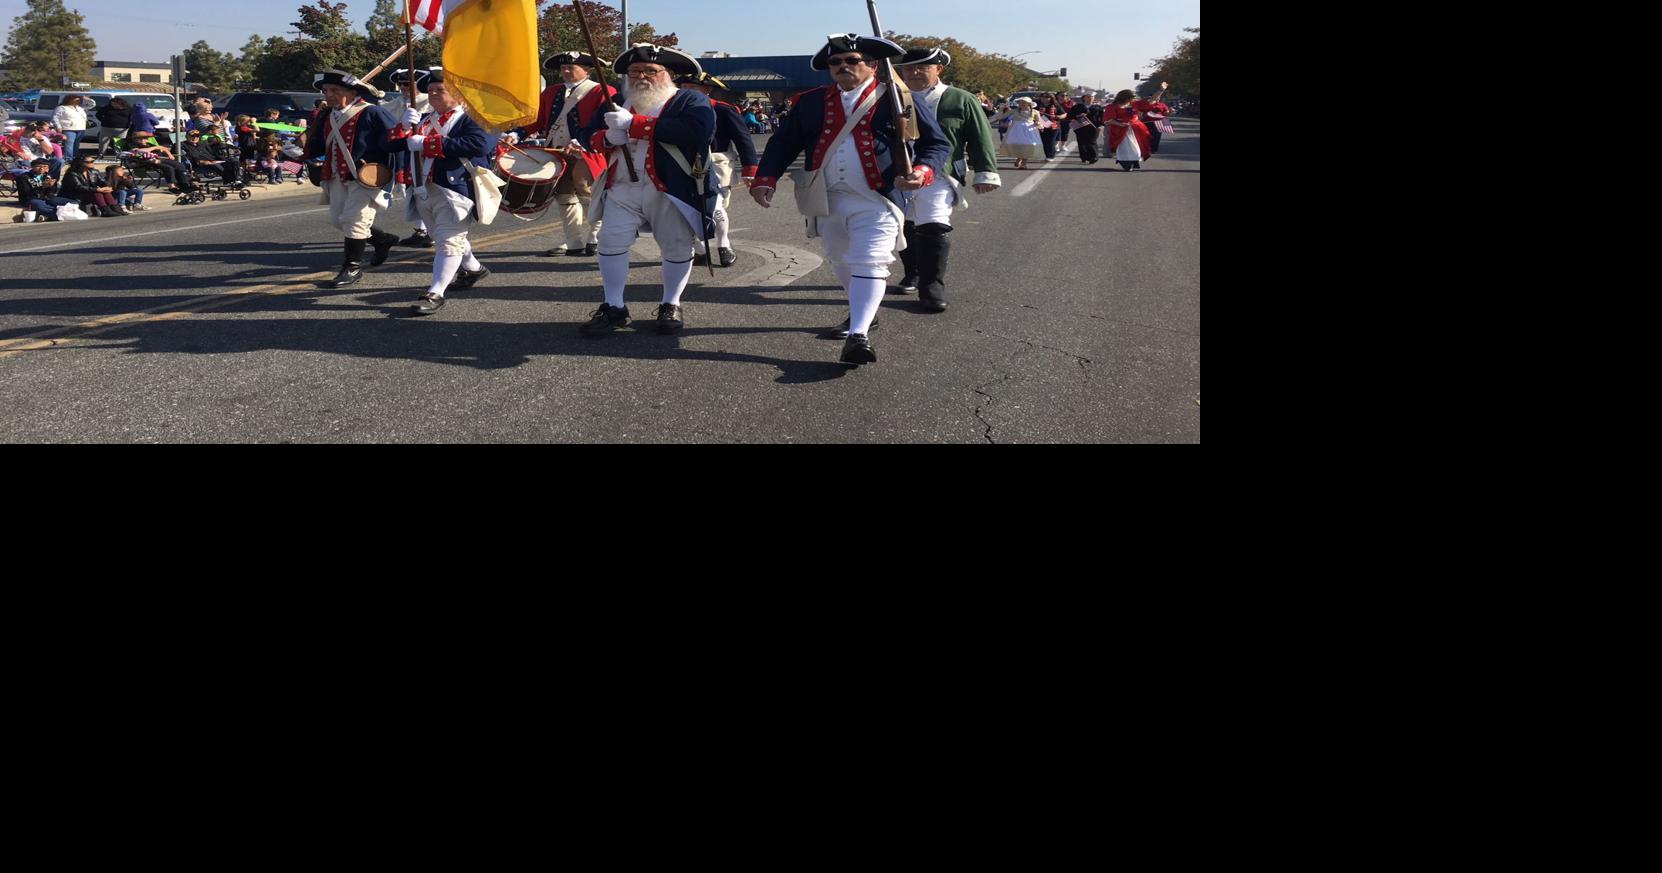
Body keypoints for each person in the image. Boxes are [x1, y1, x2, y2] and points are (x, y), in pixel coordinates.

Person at [751, 33, 949, 365]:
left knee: (870, 260)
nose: (843, 66)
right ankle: (864, 313)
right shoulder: (811, 101)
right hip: (827, 198)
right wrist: (766, 178)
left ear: (872, 65)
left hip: (879, 198)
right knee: (840, 259)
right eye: (836, 62)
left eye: (852, 61)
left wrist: (922, 171)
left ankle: (859, 334)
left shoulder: (899, 99)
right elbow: (783, 143)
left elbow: (936, 143)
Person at [574, 43, 717, 336]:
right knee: (610, 243)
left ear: (667, 74)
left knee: (676, 245)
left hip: (669, 187)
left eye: (651, 71)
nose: (642, 76)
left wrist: (636, 125)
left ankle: (670, 303)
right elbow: (587, 133)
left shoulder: (688, 100)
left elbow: (698, 132)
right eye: (635, 71)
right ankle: (614, 306)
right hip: (622, 186)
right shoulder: (616, 102)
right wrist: (606, 138)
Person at [893, 46, 1001, 313]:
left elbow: (980, 137)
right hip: (897, 173)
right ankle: (913, 273)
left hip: (940, 174)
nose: (915, 72)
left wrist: (985, 172)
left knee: (932, 225)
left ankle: (932, 287)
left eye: (922, 67)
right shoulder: (891, 97)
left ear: (938, 69)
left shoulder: (960, 99)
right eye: (908, 68)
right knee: (902, 224)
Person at [386, 68, 498, 316]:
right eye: (432, 89)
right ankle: (475, 269)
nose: (434, 93)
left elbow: (480, 144)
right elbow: (391, 144)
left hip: (455, 190)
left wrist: (428, 143)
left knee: (448, 241)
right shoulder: (423, 119)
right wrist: (404, 127)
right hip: (423, 188)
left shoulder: (474, 119)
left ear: (458, 95)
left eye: (441, 89)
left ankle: (435, 292)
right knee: (445, 237)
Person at [305, 69, 399, 288]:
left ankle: (352, 267)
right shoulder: (327, 114)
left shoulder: (372, 112)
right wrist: (299, 151)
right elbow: (318, 142)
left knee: (354, 220)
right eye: (326, 90)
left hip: (366, 177)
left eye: (334, 90)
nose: (328, 94)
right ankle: (382, 240)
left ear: (351, 91)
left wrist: (399, 171)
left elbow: (395, 143)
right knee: (339, 220)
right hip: (336, 174)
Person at [535, 50, 616, 258]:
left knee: (584, 188)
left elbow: (608, 122)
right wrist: (516, 134)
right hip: (557, 150)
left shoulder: (603, 91)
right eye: (563, 68)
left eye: (572, 67)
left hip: (588, 151)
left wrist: (581, 141)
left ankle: (596, 237)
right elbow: (537, 119)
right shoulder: (552, 92)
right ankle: (573, 241)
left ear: (586, 70)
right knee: (563, 194)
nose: (567, 71)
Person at [675, 70, 757, 268]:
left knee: (715, 207)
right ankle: (701, 250)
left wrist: (750, 168)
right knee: (685, 209)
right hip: (681, 164)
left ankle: (723, 245)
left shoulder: (723, 110)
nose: (686, 92)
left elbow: (743, 139)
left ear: (706, 89)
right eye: (684, 88)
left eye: (692, 88)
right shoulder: (673, 110)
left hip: (716, 164)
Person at [383, 68, 435, 248]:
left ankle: (431, 231)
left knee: (426, 193)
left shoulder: (431, 104)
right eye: (401, 84)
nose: (404, 88)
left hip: (424, 156)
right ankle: (422, 230)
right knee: (413, 193)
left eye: (408, 84)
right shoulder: (391, 106)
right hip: (401, 156)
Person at [124, 131, 197, 192]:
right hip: (146, 161)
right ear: (135, 139)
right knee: (168, 168)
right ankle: (171, 187)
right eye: (141, 139)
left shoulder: (149, 144)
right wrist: (155, 147)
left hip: (162, 159)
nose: (144, 140)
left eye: (145, 138)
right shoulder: (132, 145)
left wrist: (170, 154)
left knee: (179, 165)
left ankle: (184, 185)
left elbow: (164, 148)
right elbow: (137, 151)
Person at [60, 154, 125, 216]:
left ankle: (115, 208)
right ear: (80, 163)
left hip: (87, 193)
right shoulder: (72, 174)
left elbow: (102, 181)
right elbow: (78, 187)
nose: (92, 162)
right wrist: (97, 189)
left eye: (93, 161)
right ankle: (105, 210)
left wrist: (107, 187)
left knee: (104, 192)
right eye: (89, 162)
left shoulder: (94, 172)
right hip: (74, 195)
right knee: (97, 193)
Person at [1104, 89, 1151, 171]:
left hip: (1135, 130)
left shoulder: (1135, 104)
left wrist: (1161, 90)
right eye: (1132, 97)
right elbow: (1108, 119)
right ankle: (1126, 164)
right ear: (1125, 97)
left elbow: (1151, 101)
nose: (1134, 98)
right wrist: (1120, 124)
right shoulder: (1112, 107)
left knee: (1136, 148)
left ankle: (1133, 162)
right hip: (1121, 131)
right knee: (1124, 148)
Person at [991, 97, 1044, 169]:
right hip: (1017, 130)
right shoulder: (1014, 111)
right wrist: (1001, 110)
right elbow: (1001, 117)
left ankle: (1023, 163)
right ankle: (1019, 159)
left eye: (1023, 102)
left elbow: (1039, 121)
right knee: (1020, 145)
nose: (1021, 104)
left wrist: (1038, 123)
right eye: (1020, 103)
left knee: (1029, 145)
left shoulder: (1035, 112)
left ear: (1029, 104)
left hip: (1029, 130)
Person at [1134, 83, 1172, 156]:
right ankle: (1145, 148)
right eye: (1157, 97)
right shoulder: (1146, 103)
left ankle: (1153, 149)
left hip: (1159, 122)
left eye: (1159, 97)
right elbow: (1139, 112)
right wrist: (1161, 90)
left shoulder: (1162, 105)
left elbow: (1166, 113)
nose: (1158, 98)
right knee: (1146, 136)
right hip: (1146, 121)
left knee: (1157, 136)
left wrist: (1170, 111)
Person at [1065, 92, 1100, 164]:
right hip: (1080, 127)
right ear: (1084, 98)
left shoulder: (1098, 107)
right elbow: (1069, 116)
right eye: (1088, 96)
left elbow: (1102, 118)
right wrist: (1078, 116)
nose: (1090, 98)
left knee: (1091, 142)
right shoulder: (1077, 106)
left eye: (1092, 97)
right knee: (1082, 143)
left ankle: (1093, 157)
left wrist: (1101, 125)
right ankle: (1084, 157)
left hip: (1093, 127)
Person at [1035, 92, 1061, 159]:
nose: (1044, 99)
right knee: (1045, 142)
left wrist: (1058, 116)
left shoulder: (1056, 105)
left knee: (1051, 141)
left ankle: (1051, 156)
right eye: (1042, 97)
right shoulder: (1037, 106)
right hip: (1042, 126)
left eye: (1047, 97)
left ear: (1051, 98)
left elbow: (1064, 114)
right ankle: (1047, 155)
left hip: (1053, 126)